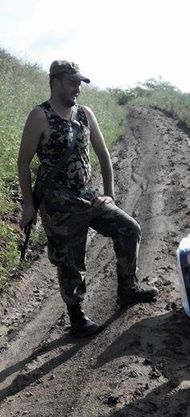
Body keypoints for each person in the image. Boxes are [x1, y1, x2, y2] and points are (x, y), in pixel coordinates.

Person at [18, 60, 157, 337]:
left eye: (80, 82)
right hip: (57, 202)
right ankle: (77, 318)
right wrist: (29, 205)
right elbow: (23, 162)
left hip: (86, 194)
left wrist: (109, 195)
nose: (78, 87)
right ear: (55, 82)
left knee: (129, 229)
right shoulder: (40, 116)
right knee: (71, 260)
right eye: (72, 82)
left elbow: (104, 156)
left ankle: (127, 289)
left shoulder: (85, 114)